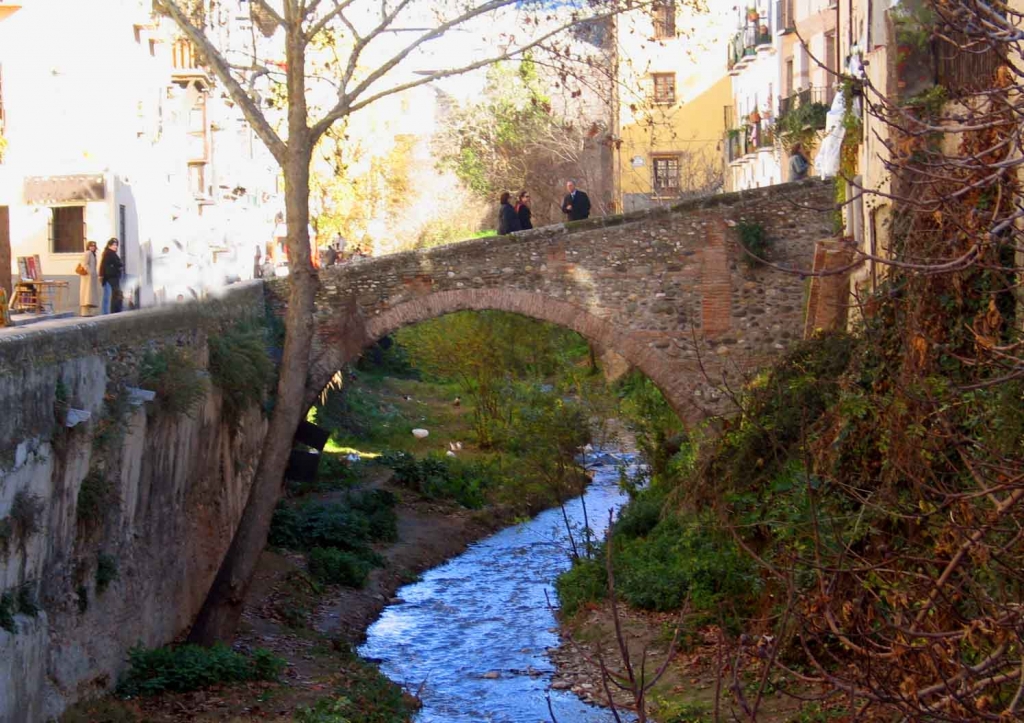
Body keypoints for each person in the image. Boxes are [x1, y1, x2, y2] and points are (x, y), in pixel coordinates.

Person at [99, 238, 123, 315]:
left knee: (115, 294)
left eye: (116, 245)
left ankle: (114, 310)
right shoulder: (108, 254)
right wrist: (101, 275)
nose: (115, 246)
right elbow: (103, 265)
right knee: (109, 295)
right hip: (109, 278)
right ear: (109, 245)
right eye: (114, 245)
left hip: (114, 277)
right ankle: (106, 312)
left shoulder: (113, 254)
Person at [76, 240, 101, 316]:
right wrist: (90, 272)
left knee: (89, 296)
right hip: (87, 277)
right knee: (86, 295)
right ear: (88, 246)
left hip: (91, 278)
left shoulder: (93, 254)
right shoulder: (88, 253)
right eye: (91, 246)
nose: (92, 247)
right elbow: (84, 263)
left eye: (94, 246)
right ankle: (84, 312)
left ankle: (88, 312)